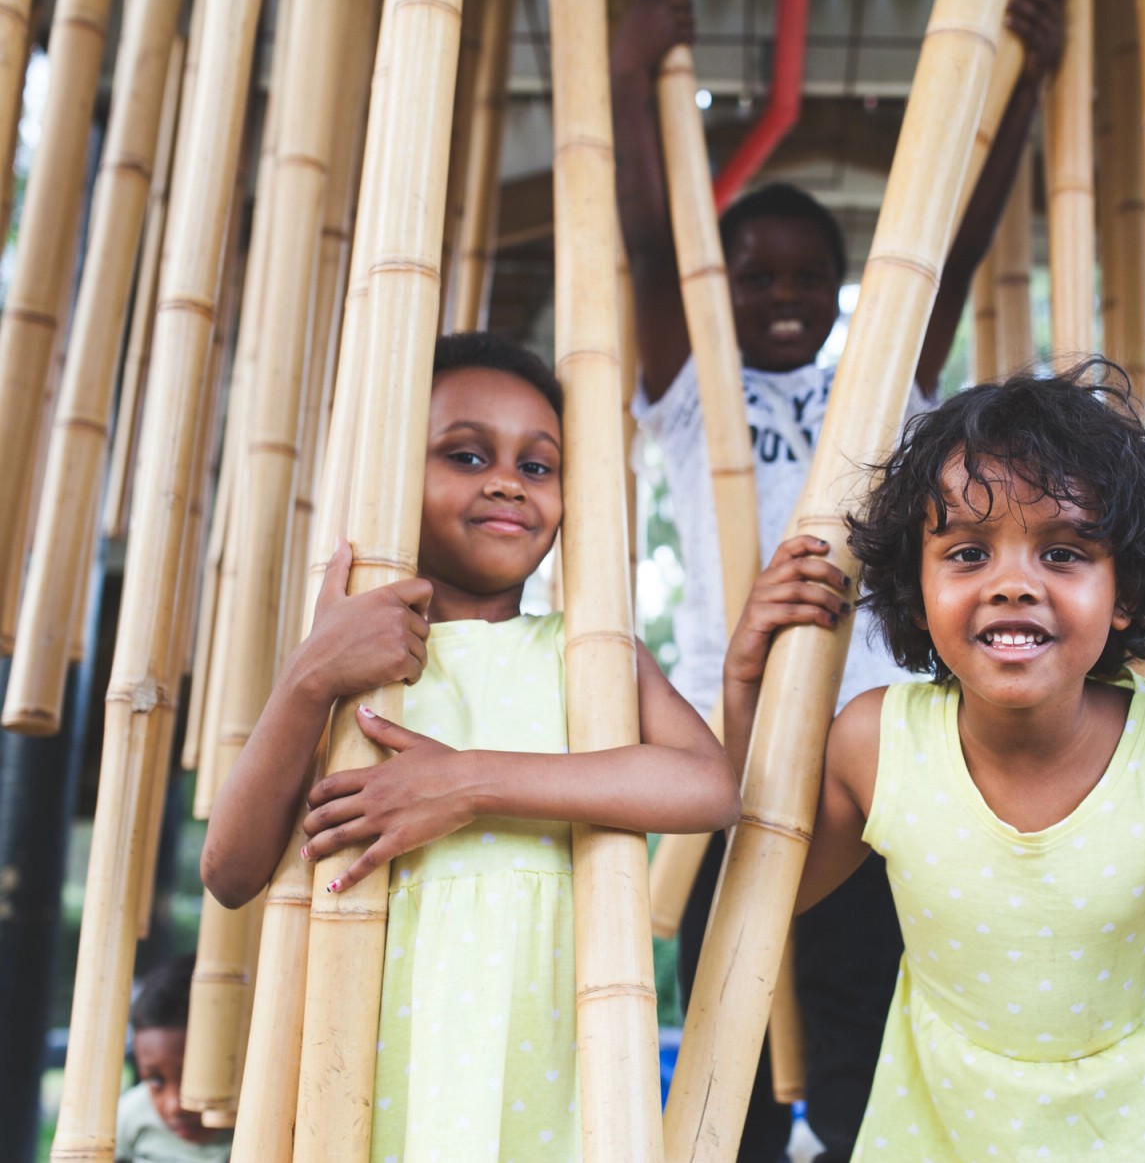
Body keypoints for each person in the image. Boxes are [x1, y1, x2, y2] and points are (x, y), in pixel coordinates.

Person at [725, 363, 1145, 1160]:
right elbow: (759, 894)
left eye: (1063, 552)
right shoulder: (878, 745)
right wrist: (746, 688)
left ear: (1124, 592)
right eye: (970, 552)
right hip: (940, 1134)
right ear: (916, 584)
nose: (1014, 583)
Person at [611, 0, 1064, 1156]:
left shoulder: (879, 387)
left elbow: (952, 243)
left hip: (875, 757)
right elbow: (655, 248)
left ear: (838, 288)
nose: (779, 295)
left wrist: (1016, 89)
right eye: (754, 273)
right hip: (741, 742)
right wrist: (629, 67)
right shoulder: (690, 380)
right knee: (735, 1020)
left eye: (806, 276)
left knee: (866, 1008)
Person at [200, 332, 741, 1160]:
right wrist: (311, 674)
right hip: (373, 1058)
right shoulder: (349, 668)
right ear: (393, 474)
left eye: (537, 465)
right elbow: (232, 870)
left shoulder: (586, 656)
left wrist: (468, 784)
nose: (504, 482)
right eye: (465, 454)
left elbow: (707, 786)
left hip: (560, 1051)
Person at [115, 954, 233, 1162]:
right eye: (156, 1080)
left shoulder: (272, 1131)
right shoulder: (131, 1117)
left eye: (193, 1078)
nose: (174, 1106)